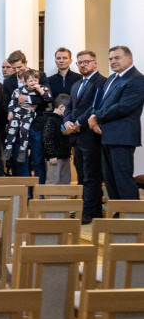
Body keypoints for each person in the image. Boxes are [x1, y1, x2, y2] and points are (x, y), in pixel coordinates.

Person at [84, 45, 144, 204]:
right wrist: (93, 116)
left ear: (129, 58)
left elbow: (124, 107)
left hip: (122, 136)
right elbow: (101, 102)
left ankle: (131, 218)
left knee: (122, 178)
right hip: (106, 135)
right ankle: (117, 214)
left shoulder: (137, 79)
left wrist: (96, 117)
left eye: (117, 58)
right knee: (109, 178)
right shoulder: (112, 78)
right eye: (110, 59)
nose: (113, 61)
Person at [63, 50, 107, 223]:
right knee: (81, 174)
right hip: (77, 136)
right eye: (80, 62)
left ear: (95, 63)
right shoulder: (76, 84)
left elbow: (95, 108)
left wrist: (78, 123)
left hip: (91, 135)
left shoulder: (102, 82)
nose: (83, 65)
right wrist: (67, 122)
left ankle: (88, 212)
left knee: (91, 175)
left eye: (86, 62)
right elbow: (69, 107)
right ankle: (91, 209)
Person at [3, 69, 50, 163]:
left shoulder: (42, 89)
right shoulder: (19, 90)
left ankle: (23, 151)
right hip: (18, 112)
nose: (33, 83)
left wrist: (39, 89)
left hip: (30, 113)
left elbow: (48, 98)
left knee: (24, 130)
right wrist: (10, 112)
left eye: (35, 80)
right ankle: (8, 149)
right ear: (25, 81)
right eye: (30, 81)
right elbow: (12, 102)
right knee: (12, 129)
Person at [42, 94, 73, 186]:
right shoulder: (51, 120)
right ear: (61, 107)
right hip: (54, 158)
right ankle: (52, 200)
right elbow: (48, 138)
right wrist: (52, 155)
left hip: (65, 156)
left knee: (65, 181)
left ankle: (64, 200)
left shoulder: (64, 120)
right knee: (53, 181)